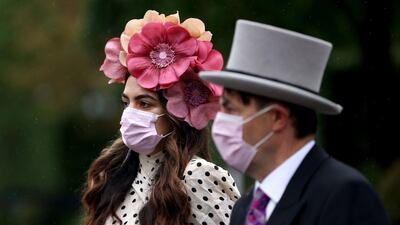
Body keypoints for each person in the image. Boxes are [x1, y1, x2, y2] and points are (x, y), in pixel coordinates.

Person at [200, 20, 389, 225]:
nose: (220, 119)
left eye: (231, 109)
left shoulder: (343, 195)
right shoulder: (244, 207)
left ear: (277, 118)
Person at [81, 10, 240, 225]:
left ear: (176, 112)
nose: (130, 113)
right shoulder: (113, 175)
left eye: (144, 103)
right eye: (126, 103)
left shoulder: (197, 175)